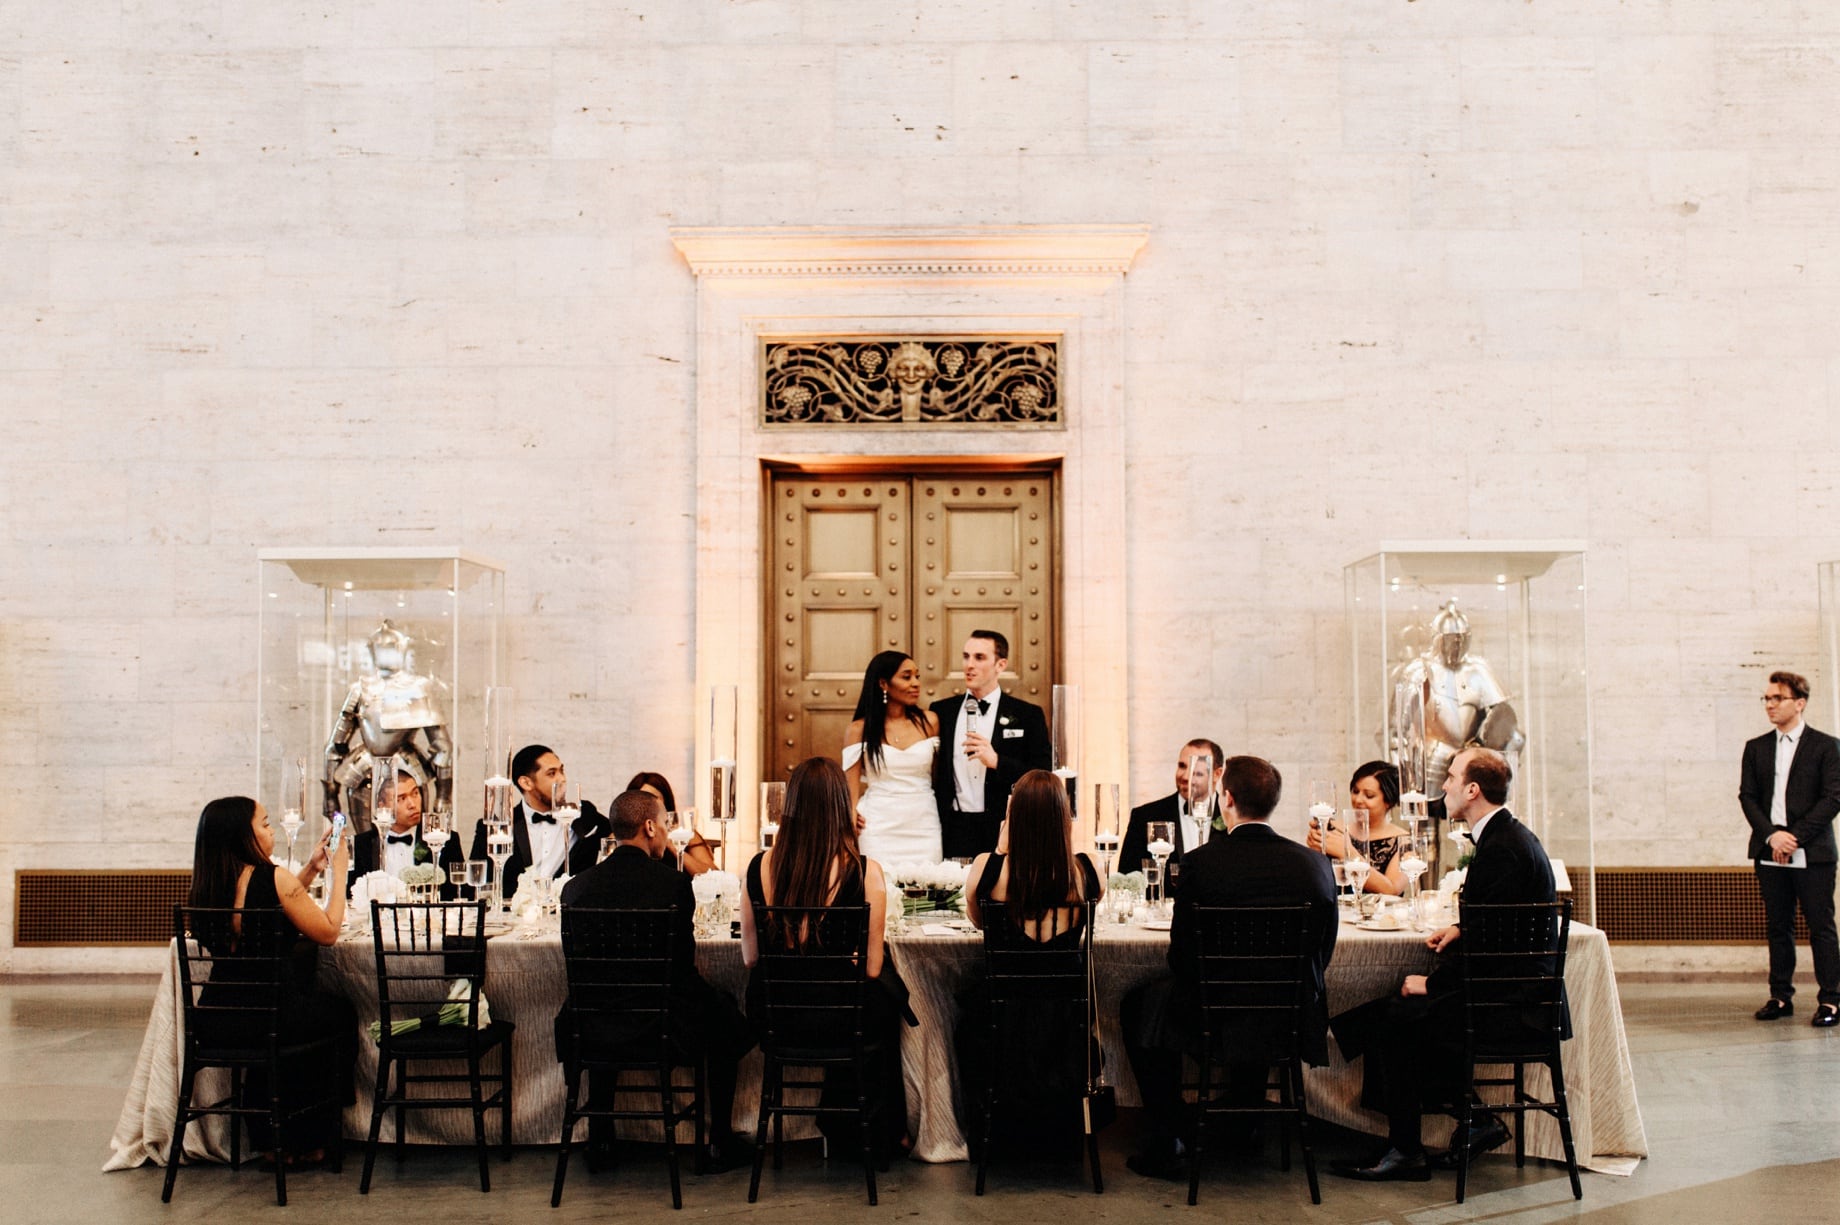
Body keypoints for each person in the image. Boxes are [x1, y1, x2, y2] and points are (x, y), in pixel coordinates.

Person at [1329, 747, 1556, 1182]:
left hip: (1513, 1003)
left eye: (1451, 778)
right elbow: (1499, 925)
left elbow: (1495, 952)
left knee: (1394, 1020)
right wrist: (1462, 926)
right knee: (1388, 1014)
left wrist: (1434, 986)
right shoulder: (1504, 838)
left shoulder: (1502, 848)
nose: (1444, 786)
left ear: (1472, 790)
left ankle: (1407, 1149)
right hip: (1507, 991)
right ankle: (1466, 1120)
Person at [1120, 756, 1338, 1180]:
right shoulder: (1314, 865)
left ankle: (1169, 1135)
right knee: (1254, 1000)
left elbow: (1181, 957)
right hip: (1290, 1012)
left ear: (1228, 799)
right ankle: (1245, 1123)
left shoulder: (1201, 865)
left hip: (1214, 1013)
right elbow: (1322, 952)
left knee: (1136, 1005)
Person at [558, 788, 758, 1171]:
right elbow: (682, 968)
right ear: (650, 826)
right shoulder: (673, 885)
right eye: (666, 823)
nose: (667, 833)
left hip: (592, 1025)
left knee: (602, 1004)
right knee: (726, 1013)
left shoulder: (575, 888)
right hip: (661, 1025)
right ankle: (719, 1141)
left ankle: (601, 1139)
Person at [740, 756, 914, 1161]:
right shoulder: (865, 871)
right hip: (842, 1020)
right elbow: (870, 967)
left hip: (776, 1019)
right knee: (884, 1001)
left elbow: (750, 957)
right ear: (843, 807)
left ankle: (841, 1126)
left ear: (791, 805)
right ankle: (873, 1131)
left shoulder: (758, 867)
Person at [187, 796, 356, 1163]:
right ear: (243, 835)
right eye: (264, 824)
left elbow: (268, 906)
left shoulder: (206, 885)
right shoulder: (272, 877)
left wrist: (311, 867)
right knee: (338, 1012)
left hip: (216, 1018)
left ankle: (269, 1140)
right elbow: (327, 932)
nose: (272, 830)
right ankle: (311, 1138)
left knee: (301, 1014)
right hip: (272, 1016)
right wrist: (339, 872)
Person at [956, 770, 1105, 1159]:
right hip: (1065, 1017)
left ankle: (991, 1134)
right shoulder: (1087, 871)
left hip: (1000, 1017)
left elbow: (977, 921)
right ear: (1064, 816)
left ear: (1013, 816)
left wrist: (1003, 848)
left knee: (962, 1014)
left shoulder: (988, 869)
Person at [1740, 670, 1840, 1027]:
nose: (1769, 704)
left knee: (1821, 926)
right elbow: (1748, 797)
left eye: (1776, 698)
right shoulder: (1756, 747)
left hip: (1813, 852)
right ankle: (1780, 996)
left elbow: (1832, 798)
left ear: (1799, 703)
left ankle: (1831, 1000)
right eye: (1766, 698)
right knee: (1778, 926)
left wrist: (1792, 837)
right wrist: (1772, 837)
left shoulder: (1827, 746)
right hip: (1769, 850)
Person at [930, 630, 1052, 859]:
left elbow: (1043, 774)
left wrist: (997, 762)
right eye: (966, 656)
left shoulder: (1028, 715)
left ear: (1001, 664)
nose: (969, 665)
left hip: (1005, 829)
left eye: (979, 657)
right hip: (952, 829)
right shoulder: (941, 711)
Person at [468, 745, 610, 900]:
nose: (562, 779)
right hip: (515, 919)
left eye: (562, 771)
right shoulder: (496, 826)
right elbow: (475, 884)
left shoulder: (584, 816)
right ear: (526, 783)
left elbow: (621, 836)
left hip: (568, 916)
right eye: (552, 773)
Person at [844, 651, 942, 867]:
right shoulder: (858, 730)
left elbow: (939, 776)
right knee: (879, 887)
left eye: (917, 676)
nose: (916, 683)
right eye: (906, 677)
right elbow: (849, 792)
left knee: (927, 891)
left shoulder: (930, 722)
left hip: (924, 823)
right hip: (878, 825)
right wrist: (851, 816)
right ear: (883, 683)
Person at [1305, 760, 1411, 895]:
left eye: (1369, 795)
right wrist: (1314, 852)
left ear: (1388, 802)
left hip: (1381, 915)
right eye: (1355, 791)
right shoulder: (1332, 829)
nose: (1358, 800)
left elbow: (1391, 890)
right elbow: (1315, 881)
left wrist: (1348, 853)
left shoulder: (1405, 842)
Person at [1121, 739, 1226, 872]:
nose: (1185, 776)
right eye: (1182, 766)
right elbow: (1127, 878)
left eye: (1196, 772)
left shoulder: (1231, 819)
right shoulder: (1145, 816)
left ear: (1217, 774)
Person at [351, 768, 463, 887]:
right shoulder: (360, 846)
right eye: (401, 799)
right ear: (382, 806)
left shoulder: (443, 841)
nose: (412, 804)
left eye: (415, 793)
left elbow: (457, 892)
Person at [625, 771, 717, 875]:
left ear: (665, 803)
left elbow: (713, 875)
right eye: (642, 800)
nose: (648, 806)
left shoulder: (684, 834)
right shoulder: (625, 837)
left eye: (653, 799)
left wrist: (674, 847)